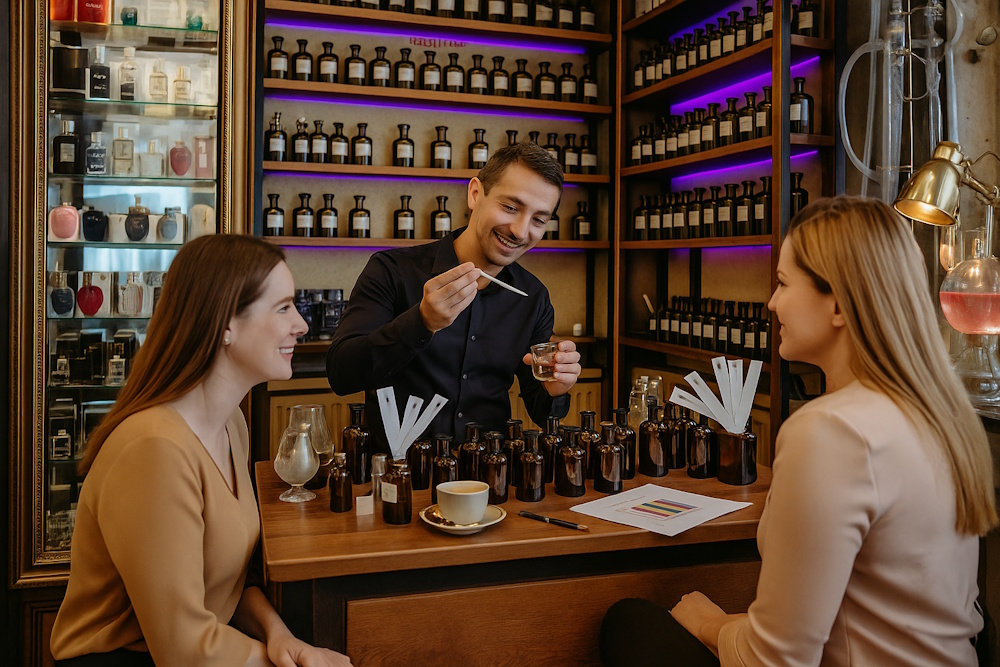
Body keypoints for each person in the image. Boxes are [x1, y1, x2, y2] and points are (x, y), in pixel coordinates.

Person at [600, 196, 998, 666]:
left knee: (629, 625)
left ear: (838, 305)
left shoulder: (830, 431)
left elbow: (777, 661)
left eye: (784, 284)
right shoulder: (943, 415)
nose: (771, 303)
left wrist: (709, 621)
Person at [50, 235, 352, 667]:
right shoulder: (154, 450)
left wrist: (282, 637)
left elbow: (229, 582)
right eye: (284, 307)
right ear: (225, 323)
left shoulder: (233, 424)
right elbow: (184, 649)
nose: (302, 324)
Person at [326, 142, 583, 452]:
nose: (519, 230)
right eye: (511, 207)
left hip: (488, 473)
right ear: (475, 194)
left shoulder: (533, 297)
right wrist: (421, 322)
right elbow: (342, 374)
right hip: (401, 473)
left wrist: (557, 389)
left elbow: (542, 411)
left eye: (539, 220)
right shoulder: (392, 270)